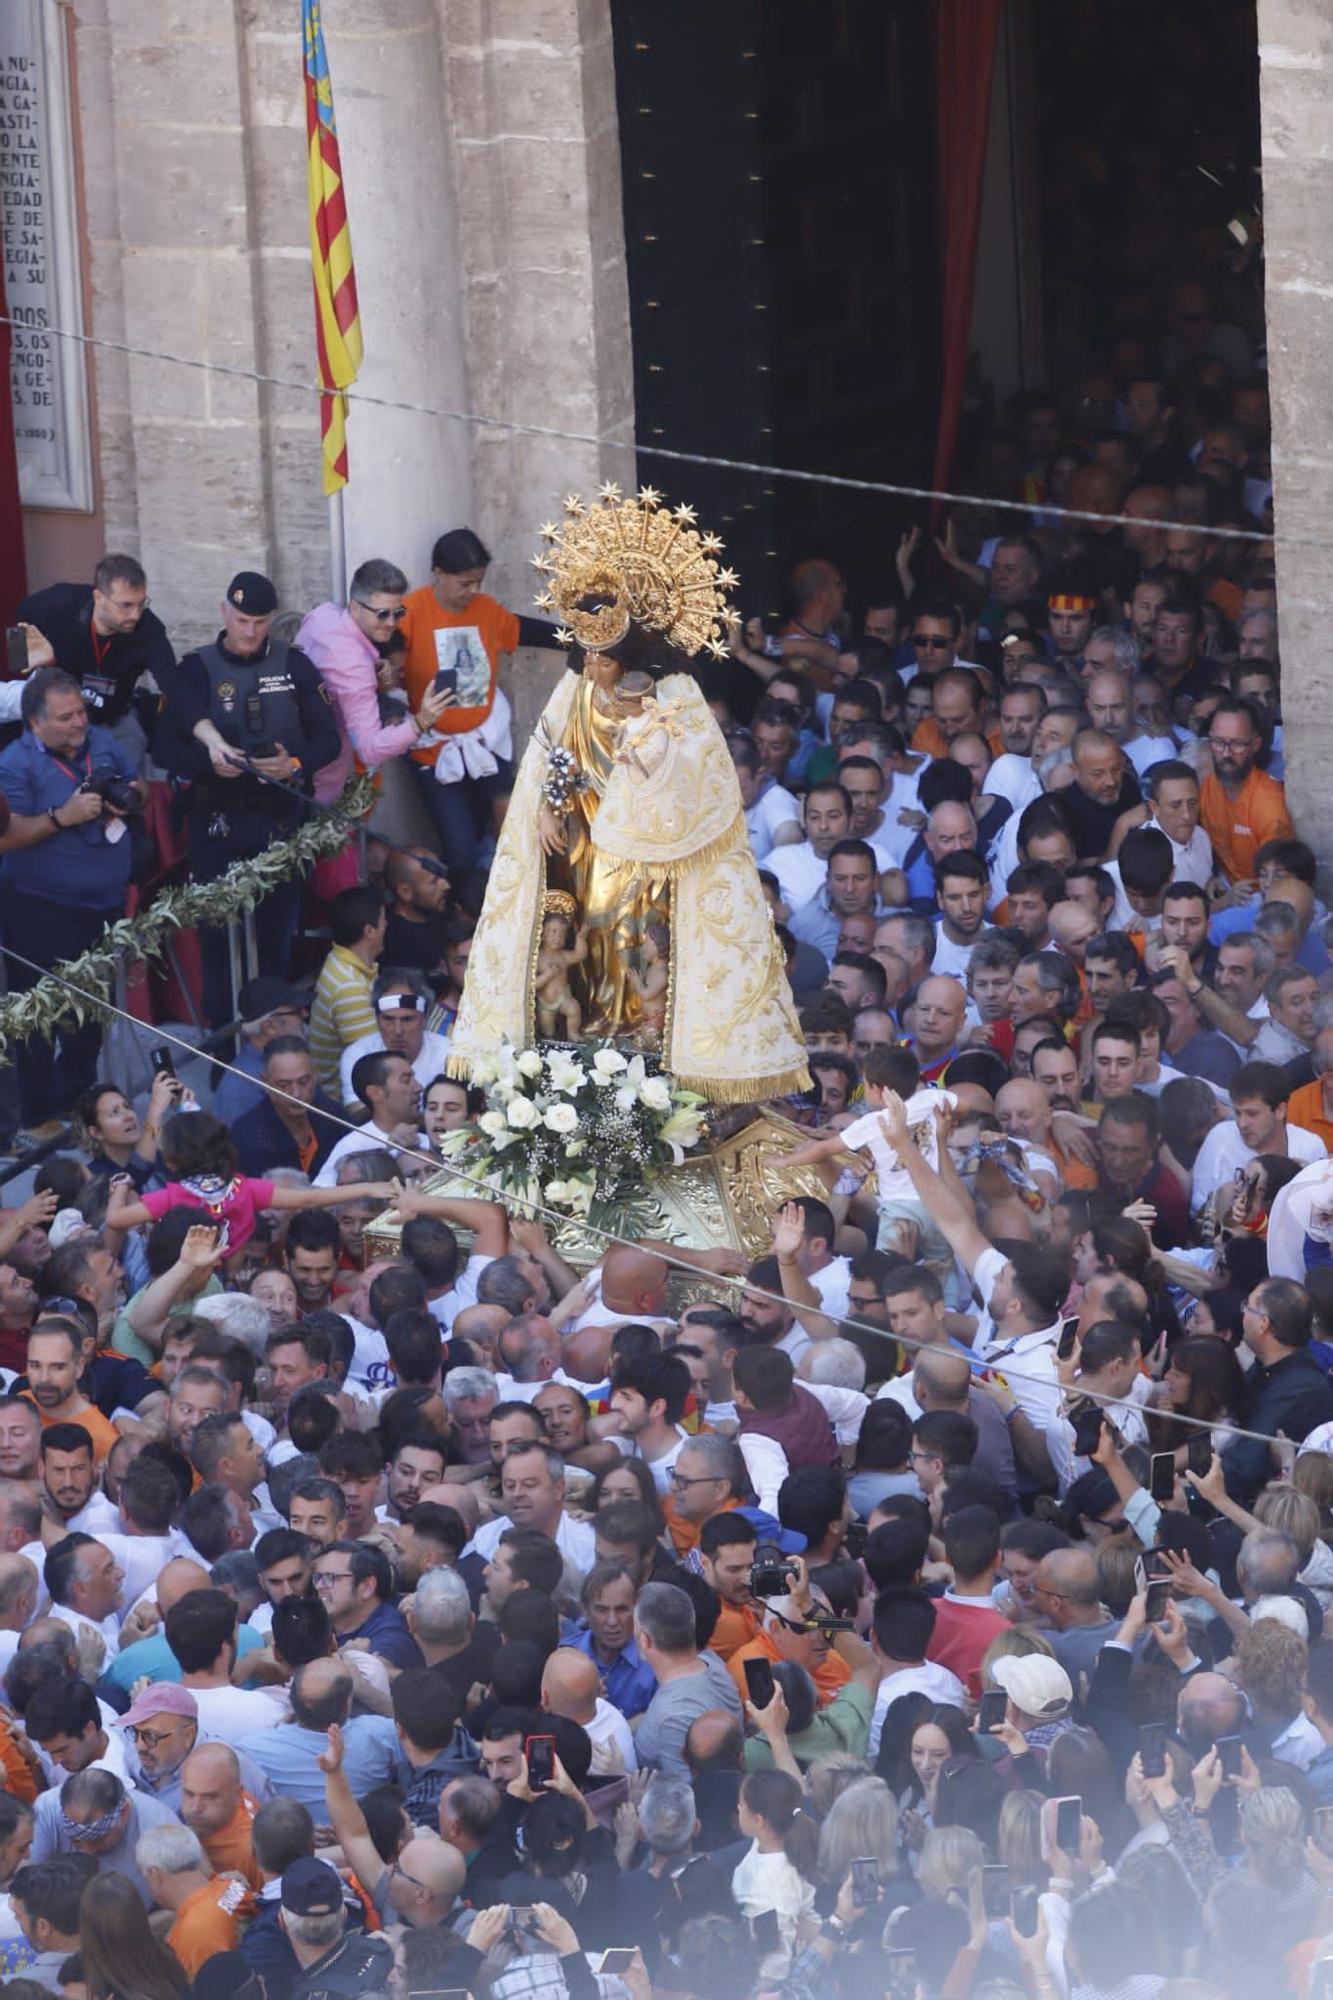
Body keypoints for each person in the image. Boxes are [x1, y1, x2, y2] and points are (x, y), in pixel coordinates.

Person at [448, 489, 808, 1096]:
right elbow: (544, 755)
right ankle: (590, 1027)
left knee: (629, 932)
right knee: (584, 926)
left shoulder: (671, 695)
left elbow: (699, 771)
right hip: (581, 837)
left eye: (603, 657)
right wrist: (542, 812)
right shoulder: (574, 692)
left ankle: (637, 1028)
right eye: (584, 654)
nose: (591, 667)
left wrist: (648, 757)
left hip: (646, 845)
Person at [154, 572, 340, 1026]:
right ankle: (222, 1045)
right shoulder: (194, 670)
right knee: (217, 946)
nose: (250, 631)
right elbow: (162, 748)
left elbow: (328, 740)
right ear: (224, 613)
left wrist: (293, 765)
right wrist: (208, 763)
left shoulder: (294, 666)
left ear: (272, 619)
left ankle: (274, 1044)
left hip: (280, 821)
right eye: (242, 619)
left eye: (259, 621)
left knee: (276, 940)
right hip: (216, 820)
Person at [0, 669, 145, 1141]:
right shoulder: (14, 763)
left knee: (90, 1015)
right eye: (65, 717)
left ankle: (79, 1102)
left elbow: (135, 780)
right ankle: (37, 1115)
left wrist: (131, 799)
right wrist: (62, 818)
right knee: (40, 1020)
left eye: (80, 711)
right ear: (35, 723)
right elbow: (8, 835)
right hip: (40, 909)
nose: (78, 722)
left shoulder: (101, 741)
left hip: (102, 907)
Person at [295, 558, 454, 807]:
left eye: (398, 613)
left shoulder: (322, 614)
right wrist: (422, 721)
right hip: (316, 787)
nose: (391, 623)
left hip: (292, 763)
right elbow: (369, 750)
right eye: (382, 614)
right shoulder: (354, 667)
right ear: (355, 607)